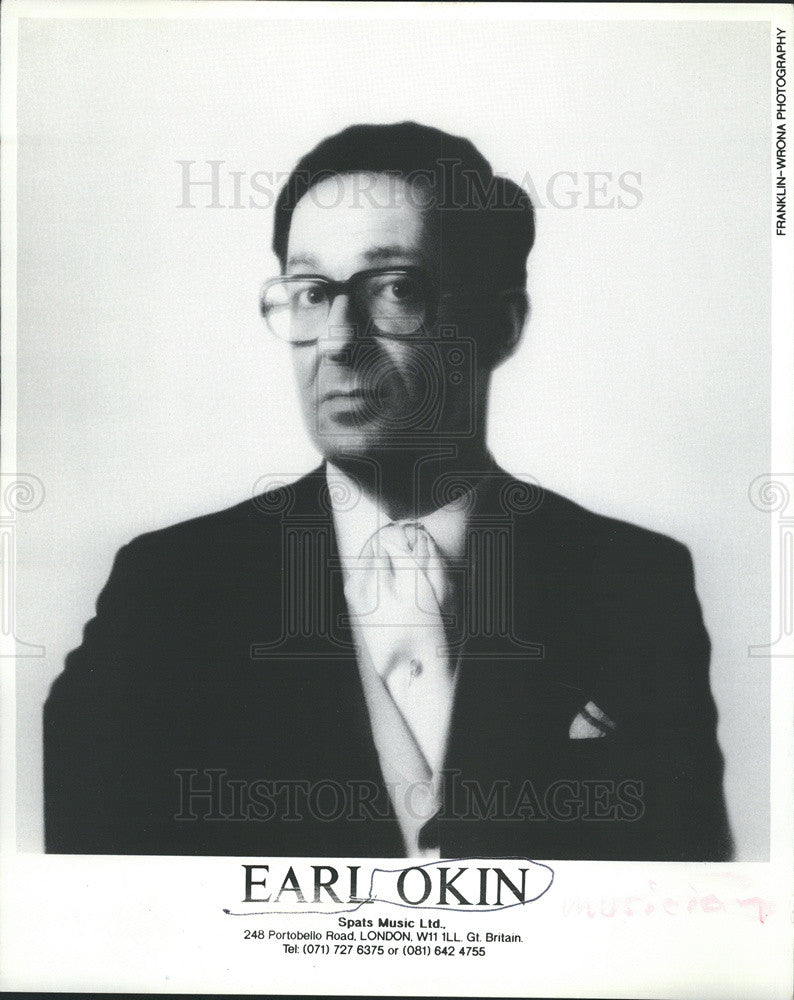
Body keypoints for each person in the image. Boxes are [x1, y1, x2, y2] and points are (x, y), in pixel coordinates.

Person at [44, 122, 732, 860]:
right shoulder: (169, 589)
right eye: (309, 292)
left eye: (393, 288)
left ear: (499, 327)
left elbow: (681, 894)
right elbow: (101, 909)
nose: (338, 339)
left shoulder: (633, 582)